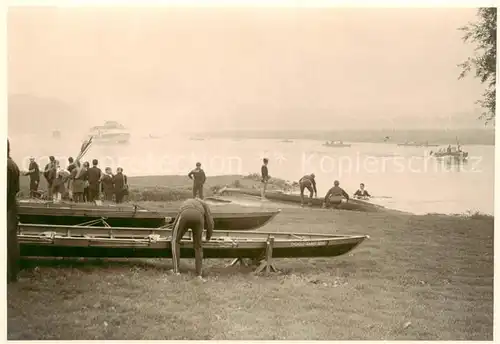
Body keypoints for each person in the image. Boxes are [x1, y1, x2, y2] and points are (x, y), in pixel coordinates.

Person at [171, 198, 214, 280]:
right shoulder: (204, 205)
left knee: (175, 241)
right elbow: (210, 222)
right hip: (199, 217)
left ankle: (176, 272)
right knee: (198, 246)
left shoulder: (186, 201)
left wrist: (173, 235)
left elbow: (176, 222)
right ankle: (199, 275)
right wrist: (208, 237)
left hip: (185, 214)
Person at [7, 139, 20, 283]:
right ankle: (12, 274)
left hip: (7, 208)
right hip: (11, 207)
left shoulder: (5, 165)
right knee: (11, 240)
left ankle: (9, 275)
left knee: (8, 241)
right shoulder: (12, 164)